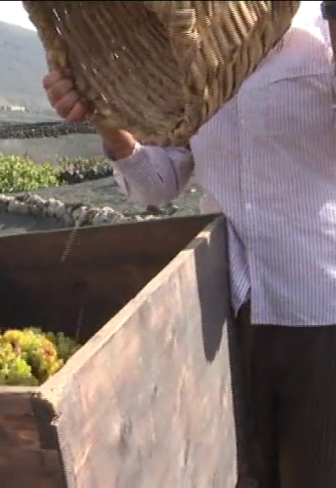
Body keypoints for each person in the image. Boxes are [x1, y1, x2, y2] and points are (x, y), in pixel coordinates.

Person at [43, 2, 336, 486]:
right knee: (242, 470)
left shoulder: (317, 36)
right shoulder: (188, 64)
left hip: (319, 303)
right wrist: (107, 120)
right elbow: (159, 183)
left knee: (316, 468)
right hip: (231, 306)